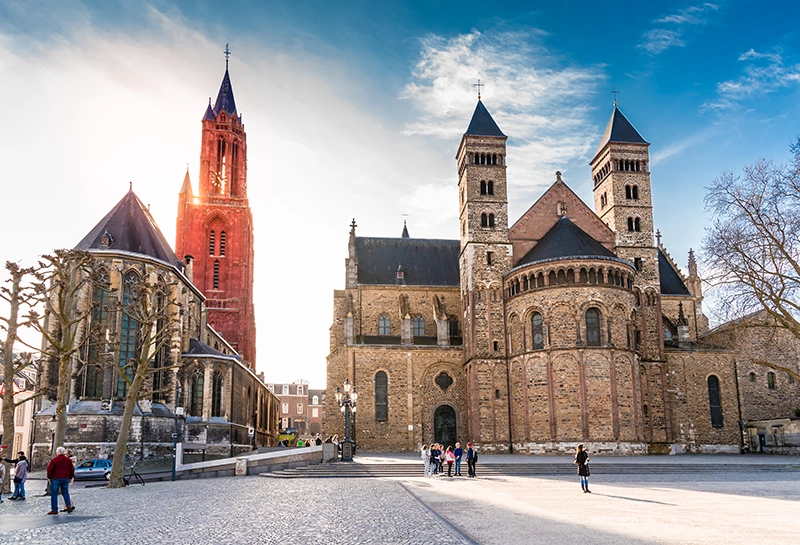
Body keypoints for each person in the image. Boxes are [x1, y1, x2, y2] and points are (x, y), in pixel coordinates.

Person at [46, 446, 75, 515]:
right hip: (65, 478)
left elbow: (50, 470)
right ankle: (68, 506)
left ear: (57, 452)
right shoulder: (68, 460)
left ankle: (54, 510)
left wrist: (49, 477)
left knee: (54, 494)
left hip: (56, 478)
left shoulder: (54, 460)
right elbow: (72, 470)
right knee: (65, 493)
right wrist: (70, 477)